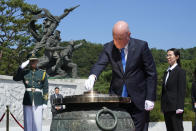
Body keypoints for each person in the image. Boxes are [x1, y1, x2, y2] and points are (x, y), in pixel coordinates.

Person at [85, 21, 157, 131]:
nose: (117, 41)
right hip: (117, 99)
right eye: (114, 37)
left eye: (120, 38)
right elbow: (100, 63)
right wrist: (92, 76)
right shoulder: (109, 47)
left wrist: (150, 98)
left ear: (128, 35)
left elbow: (151, 73)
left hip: (138, 99)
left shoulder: (141, 46)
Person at [13, 53, 49, 131]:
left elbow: (45, 88)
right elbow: (15, 78)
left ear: (37, 61)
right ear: (28, 62)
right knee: (27, 122)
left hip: (38, 100)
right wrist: (20, 68)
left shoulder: (42, 73)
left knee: (37, 122)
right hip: (27, 99)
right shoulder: (24, 72)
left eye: (34, 61)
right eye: (31, 61)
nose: (33, 62)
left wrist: (45, 102)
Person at [161, 48, 186, 131]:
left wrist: (180, 107)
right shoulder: (166, 72)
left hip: (176, 108)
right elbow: (164, 91)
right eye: (167, 55)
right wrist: (162, 106)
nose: (168, 57)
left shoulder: (180, 71)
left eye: (170, 55)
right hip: (166, 108)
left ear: (177, 57)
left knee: (177, 129)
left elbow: (181, 90)